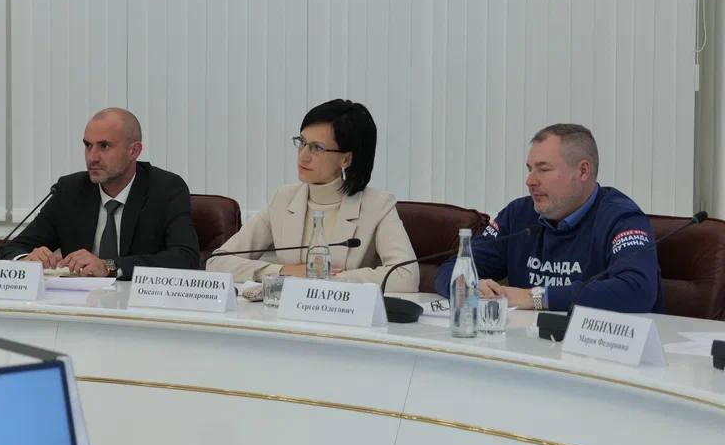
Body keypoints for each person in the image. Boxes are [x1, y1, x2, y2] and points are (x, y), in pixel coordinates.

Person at [433, 123, 661, 313]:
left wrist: (534, 297)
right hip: (530, 341)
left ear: (583, 171)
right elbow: (451, 269)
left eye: (543, 169)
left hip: (601, 346)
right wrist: (468, 286)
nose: (530, 181)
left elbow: (637, 289)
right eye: (529, 169)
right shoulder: (518, 214)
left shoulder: (622, 218)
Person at [207, 99, 417, 290]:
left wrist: (329, 279)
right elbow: (217, 262)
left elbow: (406, 276)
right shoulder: (283, 198)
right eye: (302, 142)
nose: (303, 156)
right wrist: (283, 271)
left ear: (346, 159)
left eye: (317, 148)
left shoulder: (377, 205)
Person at [0, 108, 199, 278]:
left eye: (104, 146)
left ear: (134, 151)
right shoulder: (70, 190)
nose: (92, 157)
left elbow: (185, 258)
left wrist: (109, 266)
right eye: (87, 145)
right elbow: (10, 249)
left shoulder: (165, 189)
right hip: (79, 305)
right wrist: (26, 259)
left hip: (139, 306)